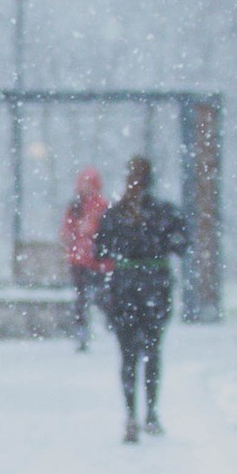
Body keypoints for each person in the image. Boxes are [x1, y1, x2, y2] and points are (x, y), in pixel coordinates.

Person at [95, 154, 189, 443]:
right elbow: (182, 245)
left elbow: (100, 250)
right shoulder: (165, 213)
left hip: (124, 289)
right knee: (152, 352)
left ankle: (130, 416)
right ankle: (151, 413)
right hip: (154, 288)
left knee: (128, 356)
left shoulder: (115, 214)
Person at [61, 165, 108, 352]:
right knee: (82, 298)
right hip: (79, 260)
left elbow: (106, 229)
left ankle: (101, 324)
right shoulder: (75, 206)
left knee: (98, 295)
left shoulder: (101, 205)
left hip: (96, 260)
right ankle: (82, 332)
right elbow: (66, 230)